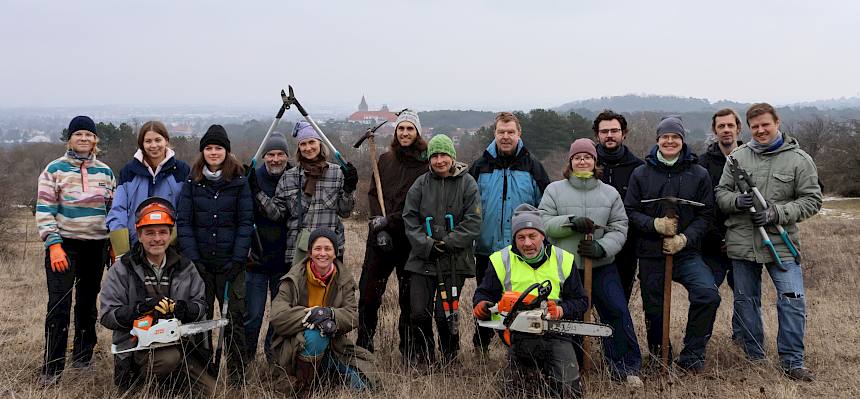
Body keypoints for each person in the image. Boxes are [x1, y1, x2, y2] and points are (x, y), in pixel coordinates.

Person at [715, 103, 822, 381]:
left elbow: (812, 200)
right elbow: (721, 194)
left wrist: (778, 212)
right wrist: (737, 201)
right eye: (755, 126)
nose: (761, 130)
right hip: (742, 243)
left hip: (781, 243)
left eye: (766, 124)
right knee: (746, 301)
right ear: (749, 128)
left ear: (777, 122)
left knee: (792, 299)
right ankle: (754, 357)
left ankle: (792, 362)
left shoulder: (799, 159)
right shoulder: (737, 158)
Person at [539, 138, 643, 386]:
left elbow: (619, 227)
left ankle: (625, 367)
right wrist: (570, 222)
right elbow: (544, 222)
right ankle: (568, 365)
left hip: (601, 267)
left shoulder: (609, 193)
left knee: (616, 311)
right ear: (571, 162)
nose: (582, 160)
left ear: (595, 162)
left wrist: (601, 248)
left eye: (587, 157)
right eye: (577, 157)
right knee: (566, 318)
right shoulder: (555, 190)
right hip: (565, 269)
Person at [624, 116, 721, 372]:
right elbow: (630, 211)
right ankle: (660, 357)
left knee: (707, 294)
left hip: (685, 252)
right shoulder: (641, 173)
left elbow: (706, 214)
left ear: (682, 140)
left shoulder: (698, 173)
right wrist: (654, 225)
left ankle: (692, 357)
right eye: (665, 137)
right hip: (650, 252)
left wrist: (683, 239)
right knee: (654, 307)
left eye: (675, 137)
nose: (670, 141)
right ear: (657, 140)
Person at [99, 197, 214, 395]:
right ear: (139, 235)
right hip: (137, 346)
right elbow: (107, 315)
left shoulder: (185, 266)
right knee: (168, 359)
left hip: (180, 342)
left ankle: (172, 384)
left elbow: (201, 305)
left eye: (162, 232)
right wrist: (140, 309)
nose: (157, 239)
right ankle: (141, 389)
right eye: (149, 233)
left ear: (171, 234)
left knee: (208, 389)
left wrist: (182, 308)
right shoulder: (122, 269)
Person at [473, 204, 587, 398]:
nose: (527, 243)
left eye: (532, 236)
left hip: (555, 332)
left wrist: (561, 309)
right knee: (517, 391)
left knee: (570, 391)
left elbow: (581, 301)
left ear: (542, 235)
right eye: (521, 237)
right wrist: (481, 304)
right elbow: (484, 293)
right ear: (514, 238)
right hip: (518, 335)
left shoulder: (563, 259)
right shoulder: (501, 260)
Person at [36, 115, 116, 385]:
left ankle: (83, 357)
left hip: (96, 246)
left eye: (89, 135)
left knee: (86, 304)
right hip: (64, 246)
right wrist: (53, 244)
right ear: (69, 138)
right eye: (78, 134)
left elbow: (113, 211)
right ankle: (52, 367)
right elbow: (45, 210)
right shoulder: (54, 169)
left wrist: (114, 246)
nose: (84, 138)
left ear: (95, 140)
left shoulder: (105, 172)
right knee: (59, 305)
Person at [176, 124, 254, 385]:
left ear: (226, 151)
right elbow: (184, 223)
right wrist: (193, 260)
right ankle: (203, 377)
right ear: (203, 152)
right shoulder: (192, 181)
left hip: (231, 266)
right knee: (201, 321)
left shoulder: (239, 182)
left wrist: (238, 259)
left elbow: (246, 223)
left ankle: (237, 377)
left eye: (218, 148)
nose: (213, 152)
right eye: (208, 148)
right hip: (200, 266)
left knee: (234, 322)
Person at [468, 111, 550, 353]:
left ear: (519, 134)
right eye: (501, 132)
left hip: (521, 250)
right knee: (485, 298)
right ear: (494, 133)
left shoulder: (533, 167)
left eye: (510, 132)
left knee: (519, 300)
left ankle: (516, 348)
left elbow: (544, 206)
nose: (506, 136)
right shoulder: (480, 166)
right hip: (486, 247)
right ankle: (480, 347)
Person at [402, 134, 481, 366]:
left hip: (453, 259)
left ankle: (450, 356)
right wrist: (427, 245)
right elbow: (410, 218)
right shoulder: (420, 184)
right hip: (422, 259)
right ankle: (425, 356)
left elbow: (473, 221)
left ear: (452, 157)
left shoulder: (468, 183)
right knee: (418, 313)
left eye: (444, 155)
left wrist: (447, 243)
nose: (439, 160)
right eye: (434, 155)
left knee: (445, 315)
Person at [269, 229, 377, 395]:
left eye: (328, 249)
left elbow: (352, 316)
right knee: (315, 336)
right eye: (317, 249)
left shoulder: (344, 279)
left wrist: (329, 314)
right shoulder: (293, 278)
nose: (322, 253)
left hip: (334, 345)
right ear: (310, 252)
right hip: (296, 345)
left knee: (363, 385)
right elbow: (278, 315)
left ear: (335, 253)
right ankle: (305, 390)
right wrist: (312, 314)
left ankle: (325, 377)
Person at [356, 110, 428, 356]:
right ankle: (364, 347)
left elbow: (418, 208)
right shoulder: (385, 160)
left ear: (417, 132)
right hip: (380, 238)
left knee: (407, 300)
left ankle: (408, 350)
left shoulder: (424, 165)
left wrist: (391, 221)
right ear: (396, 132)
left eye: (410, 129)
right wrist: (378, 224)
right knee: (368, 296)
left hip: (408, 240)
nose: (405, 133)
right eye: (401, 129)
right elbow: (373, 195)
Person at [255, 121, 358, 267]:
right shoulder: (289, 177)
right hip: (298, 252)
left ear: (320, 144)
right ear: (298, 148)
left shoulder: (337, 173)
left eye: (312, 142)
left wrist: (349, 189)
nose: (308, 148)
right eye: (303, 144)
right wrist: (258, 192)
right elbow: (277, 214)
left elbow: (345, 212)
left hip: (329, 251)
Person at [107, 120, 190, 257]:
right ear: (142, 144)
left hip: (172, 249)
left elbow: (185, 210)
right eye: (148, 141)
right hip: (134, 247)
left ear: (166, 141)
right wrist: (122, 251)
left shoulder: (181, 170)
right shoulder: (128, 171)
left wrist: (170, 241)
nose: (153, 145)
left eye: (158, 140)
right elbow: (118, 210)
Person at [245, 132, 293, 363]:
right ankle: (246, 360)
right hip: (256, 260)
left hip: (284, 260)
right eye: (271, 154)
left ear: (287, 155)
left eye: (280, 154)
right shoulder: (252, 178)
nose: (276, 159)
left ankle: (273, 359)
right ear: (264, 156)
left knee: (279, 316)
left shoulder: (295, 178)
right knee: (252, 315)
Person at [698, 108, 744, 341]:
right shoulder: (703, 164)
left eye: (730, 125)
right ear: (714, 131)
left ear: (738, 128)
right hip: (711, 243)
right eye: (721, 126)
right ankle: (699, 342)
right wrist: (718, 238)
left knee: (745, 296)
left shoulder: (751, 158)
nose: (726, 130)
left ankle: (744, 342)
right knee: (706, 296)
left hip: (744, 241)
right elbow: (701, 207)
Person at [592, 110, 644, 302]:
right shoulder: (587, 164)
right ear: (597, 134)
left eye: (614, 130)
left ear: (624, 133)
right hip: (591, 242)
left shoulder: (638, 168)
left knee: (620, 300)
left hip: (627, 245)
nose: (609, 135)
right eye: (604, 131)